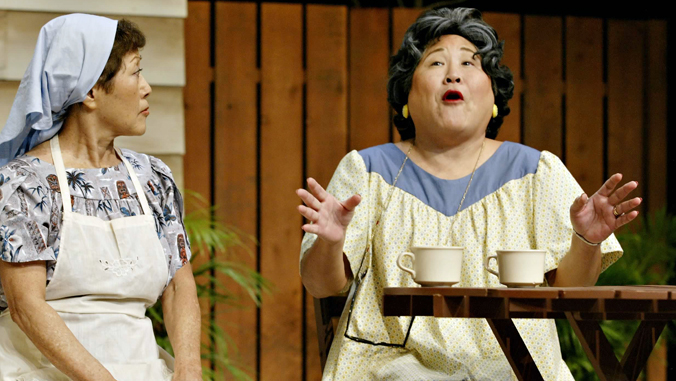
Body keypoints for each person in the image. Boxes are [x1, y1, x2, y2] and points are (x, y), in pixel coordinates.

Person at [296, 7, 640, 381]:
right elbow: (319, 284)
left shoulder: (537, 172)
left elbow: (571, 288)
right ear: (407, 95)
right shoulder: (366, 171)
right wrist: (329, 243)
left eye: (470, 63)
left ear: (493, 93)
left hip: (515, 368)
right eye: (435, 63)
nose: (453, 73)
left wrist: (585, 240)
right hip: (388, 368)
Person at [0, 14, 202, 381]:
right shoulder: (24, 183)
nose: (147, 88)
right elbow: (26, 306)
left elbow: (178, 283)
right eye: (135, 72)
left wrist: (188, 369)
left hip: (142, 367)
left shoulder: (152, 178)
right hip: (40, 369)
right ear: (91, 91)